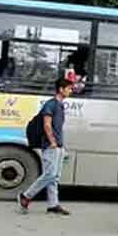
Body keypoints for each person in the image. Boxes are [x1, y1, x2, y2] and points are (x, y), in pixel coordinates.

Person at [18, 78, 74, 215]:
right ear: (61, 89)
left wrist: (60, 146)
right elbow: (47, 124)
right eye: (69, 88)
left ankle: (53, 205)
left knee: (55, 177)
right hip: (51, 145)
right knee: (50, 174)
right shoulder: (51, 104)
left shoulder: (60, 105)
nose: (71, 91)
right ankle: (26, 196)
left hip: (59, 146)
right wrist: (52, 141)